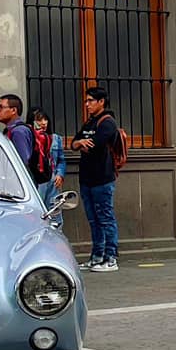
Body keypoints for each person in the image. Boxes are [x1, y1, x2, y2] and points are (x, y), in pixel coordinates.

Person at [71, 84, 123, 271]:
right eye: (86, 101)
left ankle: (111, 258)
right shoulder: (89, 122)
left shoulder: (107, 122)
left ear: (101, 102)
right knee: (93, 219)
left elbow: (95, 145)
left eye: (90, 101)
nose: (87, 104)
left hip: (102, 178)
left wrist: (82, 144)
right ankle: (97, 256)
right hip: (86, 178)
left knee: (105, 217)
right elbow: (74, 143)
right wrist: (79, 143)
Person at [28, 105, 65, 225]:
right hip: (36, 180)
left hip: (52, 179)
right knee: (37, 214)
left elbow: (61, 160)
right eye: (39, 120)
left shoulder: (55, 138)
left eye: (45, 119)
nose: (43, 123)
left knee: (55, 214)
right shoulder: (29, 138)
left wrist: (60, 174)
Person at [0, 94, 36, 173]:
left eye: (1, 107)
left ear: (13, 110)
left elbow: (22, 161)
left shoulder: (18, 132)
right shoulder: (12, 129)